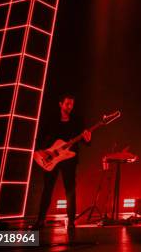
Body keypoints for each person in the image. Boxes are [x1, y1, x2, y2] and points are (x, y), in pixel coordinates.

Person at [31, 94, 91, 229]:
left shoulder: (77, 120)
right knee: (47, 189)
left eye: (71, 105)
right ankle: (40, 220)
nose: (69, 107)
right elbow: (40, 136)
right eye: (67, 104)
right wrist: (41, 151)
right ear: (60, 104)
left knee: (70, 190)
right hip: (51, 157)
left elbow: (84, 140)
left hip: (69, 159)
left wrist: (88, 139)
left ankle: (71, 221)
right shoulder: (51, 119)